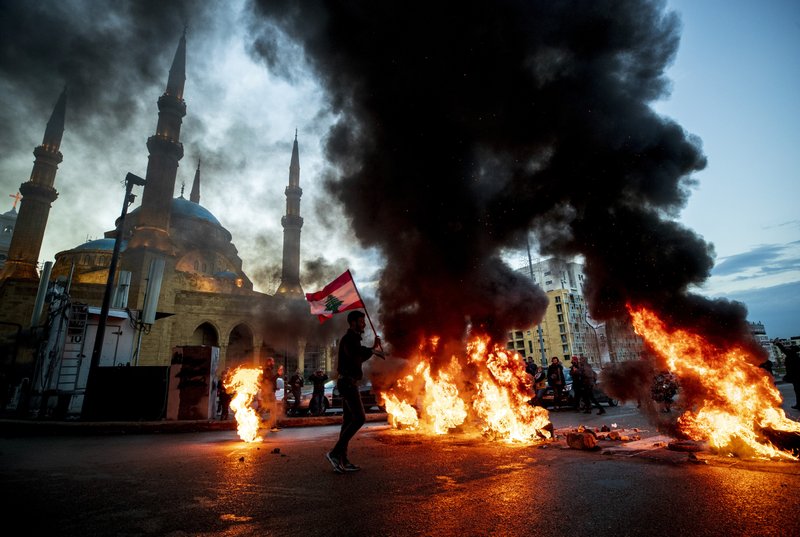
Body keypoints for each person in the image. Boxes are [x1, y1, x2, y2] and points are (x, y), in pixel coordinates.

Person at [326, 310, 384, 473]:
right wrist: (371, 350)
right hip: (348, 383)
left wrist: (372, 349)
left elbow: (358, 355)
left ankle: (343, 459)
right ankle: (335, 453)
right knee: (359, 418)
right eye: (361, 321)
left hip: (349, 383)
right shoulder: (349, 339)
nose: (364, 324)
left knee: (348, 421)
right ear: (353, 322)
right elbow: (355, 356)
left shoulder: (353, 339)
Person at [774, 340, 799, 410]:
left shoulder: (792, 355)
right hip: (796, 376)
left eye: (790, 348)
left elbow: (784, 350)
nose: (789, 349)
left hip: (796, 376)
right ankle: (799, 404)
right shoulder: (795, 356)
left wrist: (778, 343)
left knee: (798, 391)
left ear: (792, 350)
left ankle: (799, 405)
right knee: (797, 390)